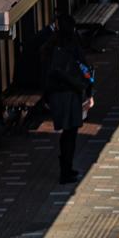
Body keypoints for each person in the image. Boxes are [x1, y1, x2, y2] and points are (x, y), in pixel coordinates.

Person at [43, 15, 90, 184]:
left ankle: (65, 168)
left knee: (65, 133)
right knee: (71, 133)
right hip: (71, 93)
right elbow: (85, 67)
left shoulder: (50, 46)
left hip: (56, 95)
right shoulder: (73, 45)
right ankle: (66, 170)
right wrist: (88, 90)